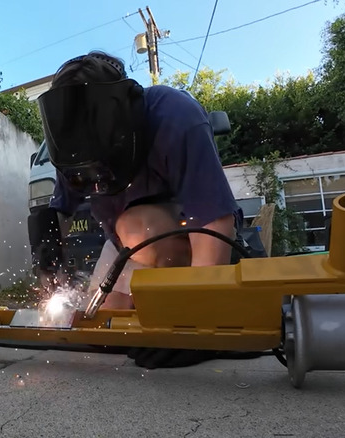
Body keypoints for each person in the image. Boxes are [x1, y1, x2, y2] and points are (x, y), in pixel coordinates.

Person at [28, 51, 244, 369]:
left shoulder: (174, 115)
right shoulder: (72, 143)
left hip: (189, 238)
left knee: (134, 226)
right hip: (124, 245)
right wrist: (50, 275)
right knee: (105, 330)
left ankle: (211, 299)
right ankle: (151, 306)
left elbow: (214, 219)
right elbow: (57, 214)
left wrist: (199, 326)